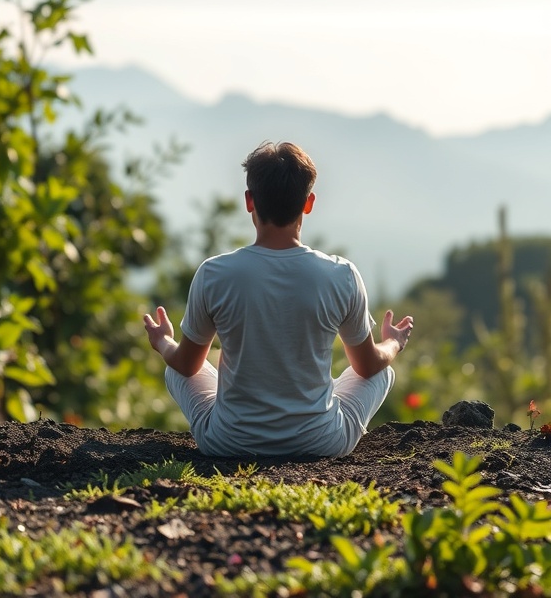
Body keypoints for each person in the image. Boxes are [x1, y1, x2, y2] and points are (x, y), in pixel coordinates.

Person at [144, 141, 413, 457]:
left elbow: (187, 366)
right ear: (308, 203)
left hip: (229, 443)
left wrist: (163, 342)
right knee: (383, 368)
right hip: (321, 443)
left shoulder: (214, 273)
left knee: (174, 366)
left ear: (249, 201)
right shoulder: (342, 275)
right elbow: (367, 367)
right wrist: (393, 343)